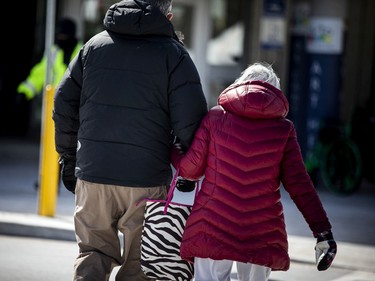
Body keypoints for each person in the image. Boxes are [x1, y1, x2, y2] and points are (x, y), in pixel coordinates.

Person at [52, 0, 208, 280]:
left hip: (94, 173)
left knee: (92, 255)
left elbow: (63, 104)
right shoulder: (174, 55)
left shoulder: (93, 47)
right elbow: (192, 122)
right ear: (168, 16)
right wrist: (190, 171)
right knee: (140, 264)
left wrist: (69, 157)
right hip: (146, 179)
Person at [172, 62, 337, 281]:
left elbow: (191, 170)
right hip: (261, 233)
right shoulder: (283, 130)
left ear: (241, 83)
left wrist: (174, 149)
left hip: (212, 225)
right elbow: (301, 187)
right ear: (274, 92)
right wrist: (322, 232)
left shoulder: (215, 118)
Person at [17, 17, 82, 100]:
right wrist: (25, 92)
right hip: (53, 103)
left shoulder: (82, 53)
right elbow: (41, 73)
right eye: (60, 36)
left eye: (64, 36)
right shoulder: (53, 52)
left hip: (74, 105)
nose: (61, 39)